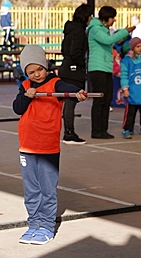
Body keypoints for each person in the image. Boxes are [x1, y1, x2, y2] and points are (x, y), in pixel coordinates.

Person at [12, 45, 87, 245]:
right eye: (31, 71)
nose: (36, 74)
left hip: (47, 146)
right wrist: (26, 96)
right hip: (27, 145)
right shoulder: (25, 85)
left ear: (45, 66)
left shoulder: (55, 83)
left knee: (47, 189)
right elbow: (17, 109)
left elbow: (67, 89)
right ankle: (33, 224)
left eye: (39, 69)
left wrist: (78, 92)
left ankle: (46, 226)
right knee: (31, 190)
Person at [87, 6, 135, 139]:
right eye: (112, 17)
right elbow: (107, 41)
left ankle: (103, 129)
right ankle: (96, 130)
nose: (114, 20)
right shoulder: (95, 29)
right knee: (100, 100)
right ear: (106, 18)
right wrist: (124, 31)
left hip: (106, 68)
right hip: (97, 68)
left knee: (107, 99)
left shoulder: (104, 29)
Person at [58, 3, 93, 145]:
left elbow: (64, 50)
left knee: (70, 101)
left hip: (66, 67)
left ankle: (68, 131)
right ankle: (69, 132)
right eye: (90, 16)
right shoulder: (79, 31)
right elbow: (75, 52)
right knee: (71, 101)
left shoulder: (70, 30)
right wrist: (80, 64)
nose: (91, 19)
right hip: (73, 69)